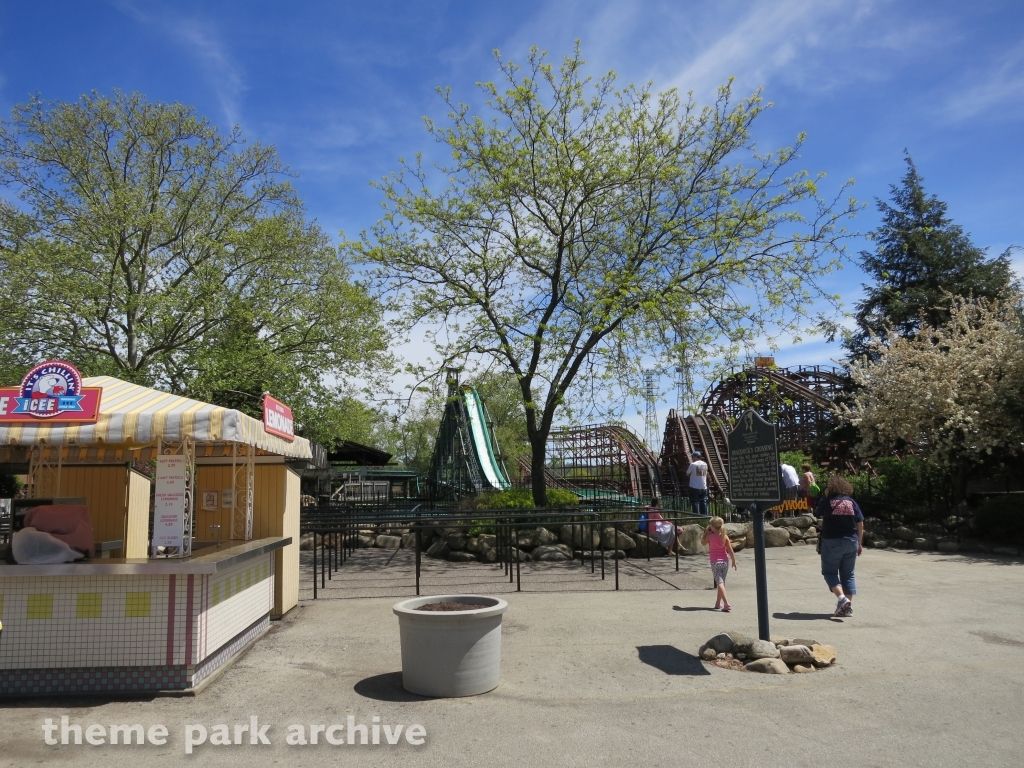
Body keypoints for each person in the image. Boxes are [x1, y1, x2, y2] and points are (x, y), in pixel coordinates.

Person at [815, 475, 864, 617]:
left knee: (829, 572)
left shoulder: (828, 501)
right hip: (851, 541)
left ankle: (842, 599)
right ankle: (846, 608)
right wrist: (859, 543)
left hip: (832, 541)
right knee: (848, 575)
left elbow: (817, 512)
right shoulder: (851, 502)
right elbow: (860, 523)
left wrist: (824, 496)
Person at [701, 517, 737, 611]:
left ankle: (726, 603)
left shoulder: (710, 536)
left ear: (712, 527)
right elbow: (730, 549)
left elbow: (702, 543)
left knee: (719, 583)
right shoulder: (724, 536)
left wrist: (706, 533)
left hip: (715, 562)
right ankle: (717, 603)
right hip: (725, 561)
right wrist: (733, 560)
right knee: (722, 582)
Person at [686, 451, 709, 517]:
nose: (692, 458)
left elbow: (687, 474)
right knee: (703, 501)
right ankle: (704, 516)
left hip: (694, 486)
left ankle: (696, 517)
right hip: (703, 487)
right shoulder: (705, 464)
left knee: (695, 502)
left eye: (693, 457)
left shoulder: (693, 464)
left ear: (695, 457)